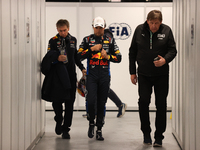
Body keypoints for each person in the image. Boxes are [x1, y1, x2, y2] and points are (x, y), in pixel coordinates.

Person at [129, 10, 177, 147]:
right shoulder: (139, 30)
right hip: (143, 75)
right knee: (143, 102)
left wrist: (165, 60)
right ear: (147, 21)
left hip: (161, 75)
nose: (154, 26)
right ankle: (146, 133)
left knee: (161, 104)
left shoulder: (167, 30)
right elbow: (132, 52)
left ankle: (159, 137)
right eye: (151, 23)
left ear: (160, 22)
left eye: (156, 23)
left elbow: (173, 50)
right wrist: (132, 72)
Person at [78, 17, 122, 141]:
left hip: (104, 76)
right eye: (96, 27)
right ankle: (91, 122)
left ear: (104, 27)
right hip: (91, 75)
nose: (98, 30)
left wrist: (107, 56)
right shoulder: (87, 40)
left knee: (102, 103)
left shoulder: (110, 40)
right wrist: (91, 50)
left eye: (101, 27)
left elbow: (119, 57)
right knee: (91, 101)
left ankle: (99, 129)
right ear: (93, 27)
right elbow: (78, 56)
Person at [41, 19, 86, 139]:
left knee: (70, 104)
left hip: (71, 77)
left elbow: (75, 57)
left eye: (65, 30)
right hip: (58, 77)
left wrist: (82, 68)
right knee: (57, 103)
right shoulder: (53, 41)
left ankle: (66, 129)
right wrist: (57, 59)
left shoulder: (73, 40)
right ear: (57, 29)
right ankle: (58, 119)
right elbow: (48, 58)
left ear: (68, 28)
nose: (63, 33)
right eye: (60, 31)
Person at [79, 29, 127, 118]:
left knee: (103, 91)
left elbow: (116, 56)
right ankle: (93, 111)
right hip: (93, 71)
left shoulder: (107, 37)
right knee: (95, 92)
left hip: (103, 71)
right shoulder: (89, 39)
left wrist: (107, 56)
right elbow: (79, 55)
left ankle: (119, 105)